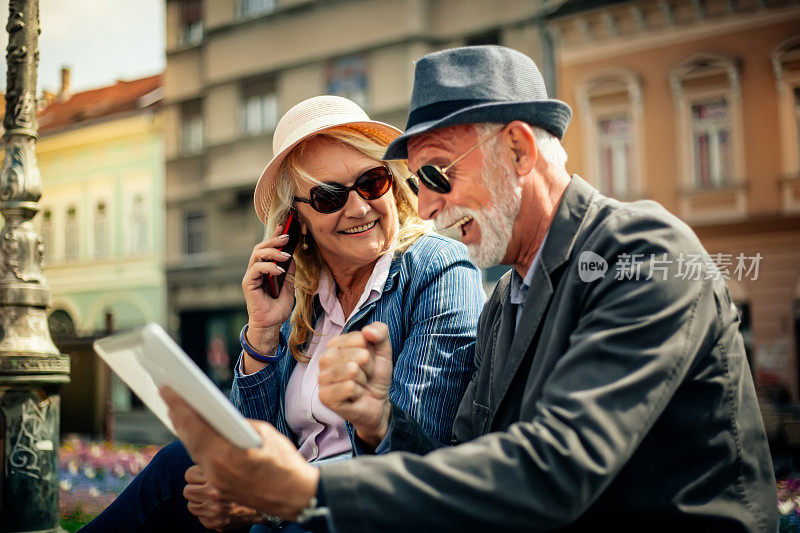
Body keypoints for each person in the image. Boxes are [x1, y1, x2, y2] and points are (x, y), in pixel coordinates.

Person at [163, 46, 777, 531]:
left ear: (516, 148)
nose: (423, 207)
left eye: (435, 173)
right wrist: (379, 420)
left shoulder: (643, 254)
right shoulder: (508, 299)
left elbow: (555, 469)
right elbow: (459, 461)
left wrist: (308, 491)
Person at [84, 95, 484, 532]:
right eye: (329, 197)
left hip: (357, 516)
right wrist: (262, 329)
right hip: (285, 512)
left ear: (392, 182)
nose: (358, 207)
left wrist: (271, 501)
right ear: (297, 222)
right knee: (176, 465)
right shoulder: (305, 296)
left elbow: (412, 457)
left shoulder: (437, 267)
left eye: (371, 182)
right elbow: (252, 441)